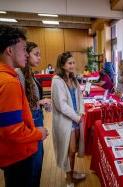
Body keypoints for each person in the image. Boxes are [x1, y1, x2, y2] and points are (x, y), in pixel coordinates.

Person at [0, 25, 48, 187]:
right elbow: (13, 131)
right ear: (10, 51)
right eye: (23, 49)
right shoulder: (9, 82)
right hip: (19, 155)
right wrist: (38, 133)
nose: (26, 54)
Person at [16, 41, 51, 187]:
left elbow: (31, 100)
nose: (39, 58)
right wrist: (39, 103)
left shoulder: (31, 74)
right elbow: (21, 105)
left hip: (37, 118)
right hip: (31, 122)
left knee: (37, 165)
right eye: (36, 54)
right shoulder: (20, 74)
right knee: (33, 167)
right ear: (26, 54)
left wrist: (42, 103)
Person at [51, 52, 85, 187]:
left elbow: (80, 97)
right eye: (69, 63)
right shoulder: (57, 81)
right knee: (69, 150)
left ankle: (72, 172)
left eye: (73, 63)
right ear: (62, 65)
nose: (72, 65)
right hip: (67, 121)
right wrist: (77, 118)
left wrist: (81, 112)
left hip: (76, 119)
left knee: (74, 150)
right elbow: (61, 105)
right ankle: (68, 177)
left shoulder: (73, 79)